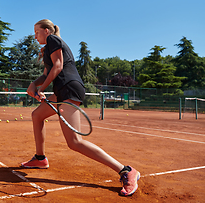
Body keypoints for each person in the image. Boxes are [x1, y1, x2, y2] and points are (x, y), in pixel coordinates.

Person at [21, 19, 140, 196]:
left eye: (37, 32)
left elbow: (59, 66)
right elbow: (47, 73)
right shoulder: (48, 48)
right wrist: (34, 85)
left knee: (75, 142)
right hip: (62, 91)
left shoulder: (53, 39)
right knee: (37, 115)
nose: (35, 36)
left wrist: (41, 89)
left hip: (69, 88)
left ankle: (126, 170)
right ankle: (40, 158)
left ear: (46, 31)